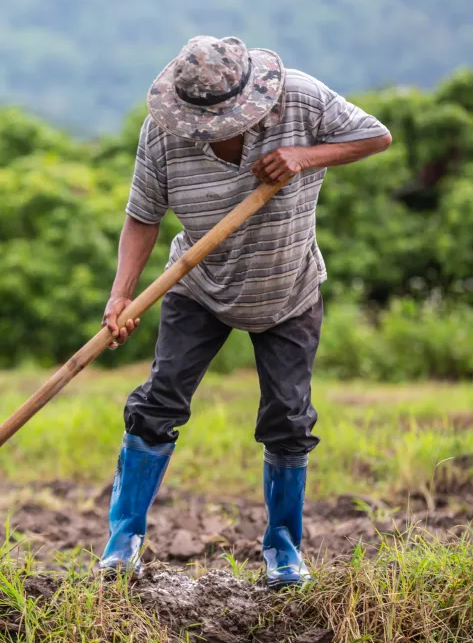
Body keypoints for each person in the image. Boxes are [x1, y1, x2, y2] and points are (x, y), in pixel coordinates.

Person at [98, 35, 391, 587]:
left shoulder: (301, 99)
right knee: (158, 402)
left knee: (287, 418)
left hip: (288, 287)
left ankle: (283, 553)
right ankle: (122, 544)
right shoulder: (163, 132)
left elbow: (376, 136)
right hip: (198, 283)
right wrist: (122, 295)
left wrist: (305, 156)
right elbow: (143, 216)